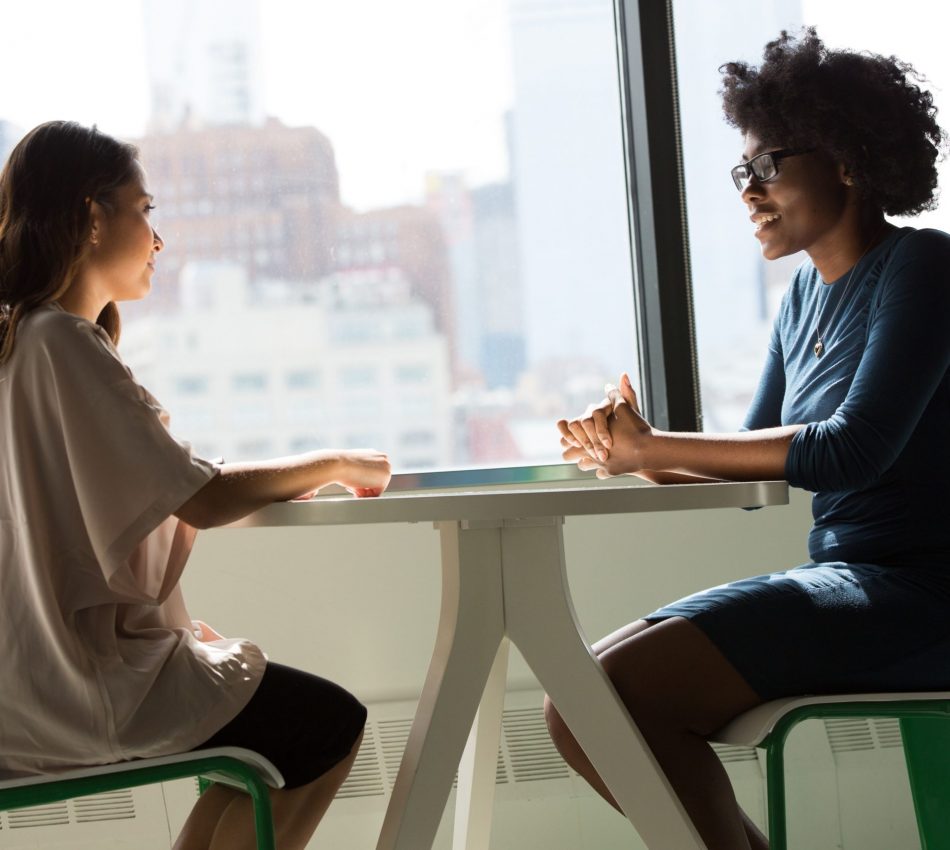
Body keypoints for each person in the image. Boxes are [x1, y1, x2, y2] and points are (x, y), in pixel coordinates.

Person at [547, 28, 950, 850]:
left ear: (843, 158)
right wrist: (628, 450)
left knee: (613, 698)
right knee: (579, 702)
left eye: (767, 167)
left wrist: (656, 448)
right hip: (852, 577)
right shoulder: (802, 296)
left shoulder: (925, 268)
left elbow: (850, 450)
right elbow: (749, 473)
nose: (748, 192)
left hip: (925, 592)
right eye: (744, 172)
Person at [0, 120, 393, 850]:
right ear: (92, 217)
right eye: (145, 211)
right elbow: (200, 497)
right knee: (326, 724)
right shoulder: (59, 341)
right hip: (75, 686)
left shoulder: (18, 340)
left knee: (255, 747)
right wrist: (332, 462)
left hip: (28, 683)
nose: (158, 238)